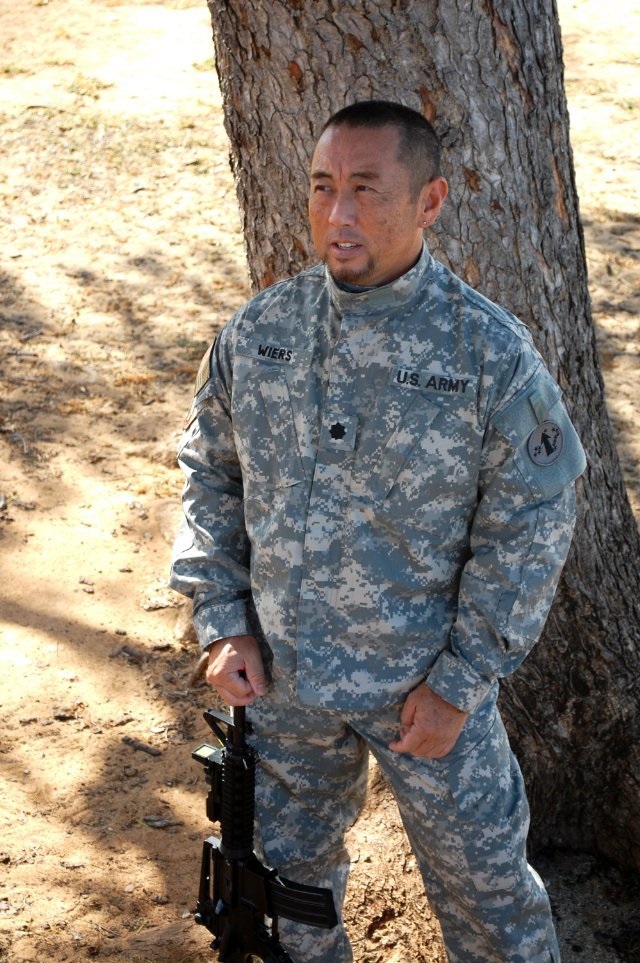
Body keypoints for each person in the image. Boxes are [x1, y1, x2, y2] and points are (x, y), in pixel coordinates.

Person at [170, 100, 585, 962]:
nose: (339, 213)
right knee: (287, 902)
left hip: (424, 694)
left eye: (367, 188)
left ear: (430, 201)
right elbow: (210, 472)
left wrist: (461, 680)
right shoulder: (261, 333)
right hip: (280, 686)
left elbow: (533, 521)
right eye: (324, 187)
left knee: (493, 905)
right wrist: (223, 620)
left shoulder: (488, 354)